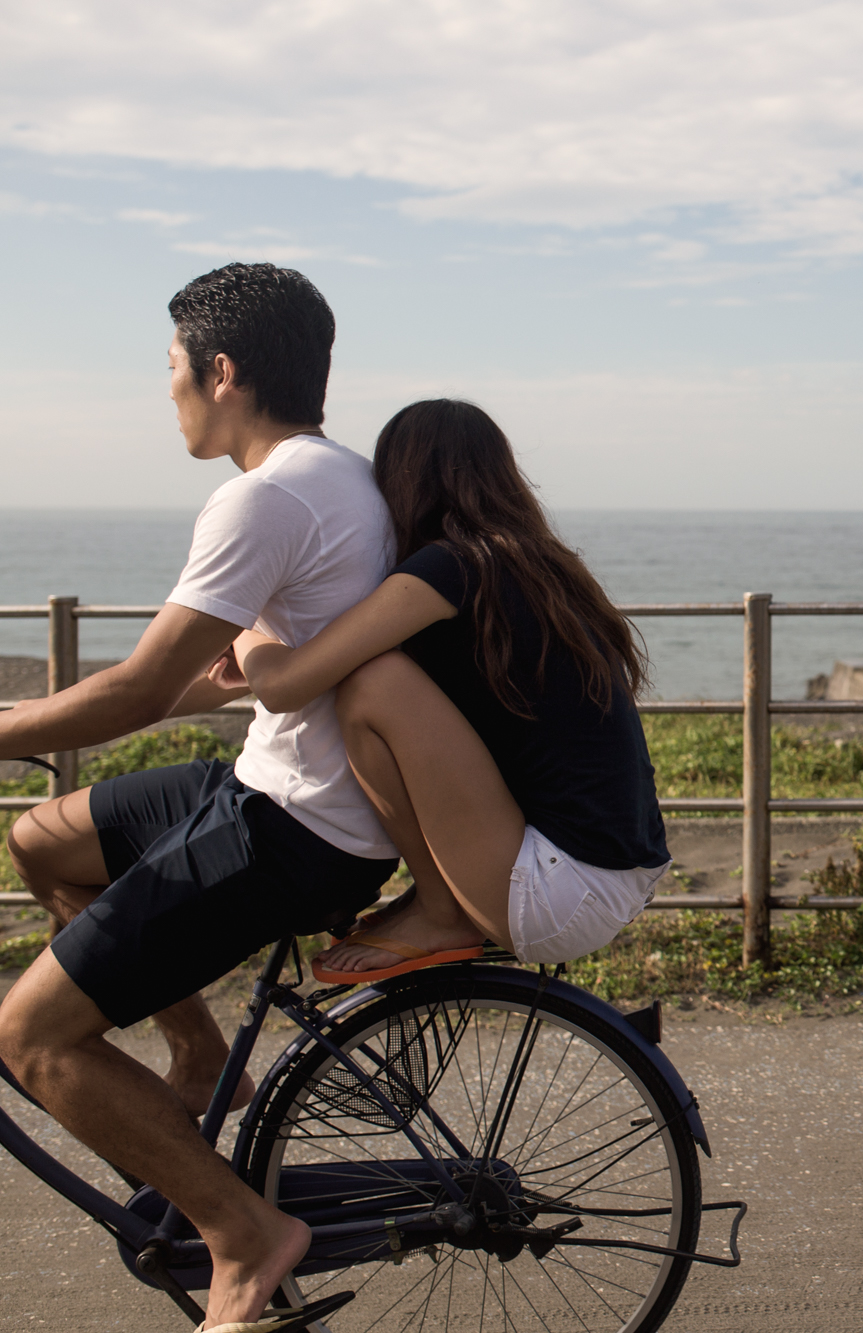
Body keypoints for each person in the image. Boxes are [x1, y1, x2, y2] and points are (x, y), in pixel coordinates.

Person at [0, 263, 400, 1329]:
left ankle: (243, 1234)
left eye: (170, 367)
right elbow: (189, 669)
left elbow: (132, 689)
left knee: (31, 1035)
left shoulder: (260, 496)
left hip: (291, 827)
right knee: (44, 840)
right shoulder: (338, 476)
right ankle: (198, 1052)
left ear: (220, 372)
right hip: (287, 785)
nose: (165, 389)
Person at [216, 399, 670, 983]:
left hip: (560, 887)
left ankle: (441, 911)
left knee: (371, 684)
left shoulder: (448, 568)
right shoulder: (531, 564)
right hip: (611, 871)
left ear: (400, 481)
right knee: (375, 675)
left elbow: (283, 685)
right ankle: (440, 903)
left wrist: (245, 625)